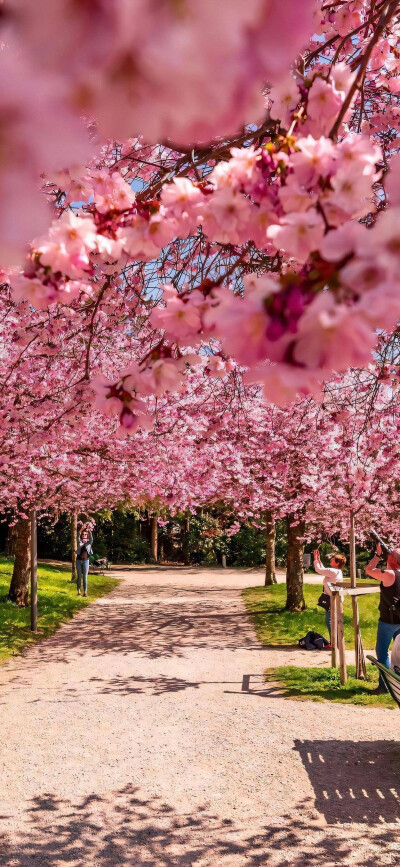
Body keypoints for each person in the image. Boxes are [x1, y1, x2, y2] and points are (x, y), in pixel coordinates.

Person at [365, 542, 400, 693]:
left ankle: (385, 685)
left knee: (382, 652)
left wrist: (377, 555)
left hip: (388, 621)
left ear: (393, 559)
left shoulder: (390, 574)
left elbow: (369, 570)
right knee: (399, 653)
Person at [313, 549, 347, 645]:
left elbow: (319, 570)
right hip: (334, 599)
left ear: (337, 563)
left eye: (332, 560)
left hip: (334, 600)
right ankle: (335, 641)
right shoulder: (335, 571)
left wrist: (315, 559)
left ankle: (335, 642)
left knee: (330, 621)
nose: (330, 561)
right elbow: (324, 570)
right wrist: (318, 560)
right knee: (331, 620)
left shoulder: (334, 571)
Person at [76, 528, 93, 597]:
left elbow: (91, 539)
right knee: (79, 576)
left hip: (86, 561)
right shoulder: (80, 542)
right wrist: (80, 531)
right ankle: (79, 590)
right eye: (83, 534)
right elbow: (77, 537)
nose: (84, 535)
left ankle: (85, 592)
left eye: (85, 534)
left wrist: (89, 531)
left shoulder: (89, 543)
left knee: (85, 577)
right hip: (78, 561)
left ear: (87, 535)